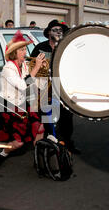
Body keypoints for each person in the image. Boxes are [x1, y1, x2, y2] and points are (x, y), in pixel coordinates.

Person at [0, 30, 46, 167]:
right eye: (22, 49)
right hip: (8, 106)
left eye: (25, 49)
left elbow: (35, 84)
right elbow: (23, 85)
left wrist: (43, 71)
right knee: (18, 142)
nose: (25, 52)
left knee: (40, 128)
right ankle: (3, 154)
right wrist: (36, 68)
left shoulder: (23, 65)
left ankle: (39, 160)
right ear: (14, 52)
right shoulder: (8, 68)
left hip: (23, 103)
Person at [30, 19, 79, 154]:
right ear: (49, 33)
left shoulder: (67, 48)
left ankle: (67, 145)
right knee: (47, 120)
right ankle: (48, 148)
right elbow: (32, 68)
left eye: (61, 30)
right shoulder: (40, 48)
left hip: (63, 89)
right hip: (45, 90)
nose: (58, 32)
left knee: (67, 119)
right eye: (55, 29)